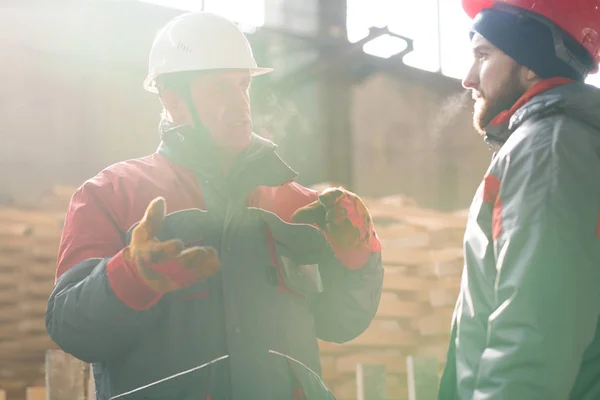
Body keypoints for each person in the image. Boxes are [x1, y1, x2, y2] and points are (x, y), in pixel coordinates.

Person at [45, 11, 384, 400]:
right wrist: (130, 277)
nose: (240, 103)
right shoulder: (111, 194)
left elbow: (343, 323)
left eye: (243, 86)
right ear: (173, 100)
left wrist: (359, 258)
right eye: (220, 89)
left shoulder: (298, 204)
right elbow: (73, 330)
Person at [437, 1, 600, 399]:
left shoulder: (547, 148)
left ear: (531, 64)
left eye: (483, 54)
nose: (468, 78)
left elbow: (536, 328)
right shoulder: (569, 142)